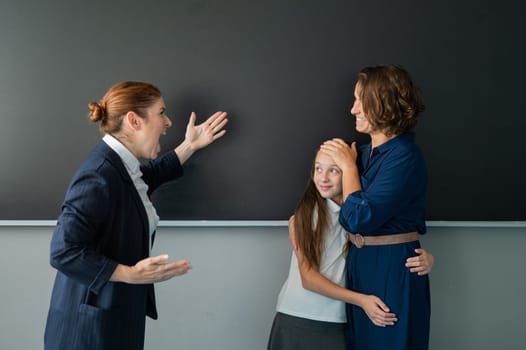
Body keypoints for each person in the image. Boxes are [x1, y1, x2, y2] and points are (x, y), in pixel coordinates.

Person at [44, 81, 228, 350]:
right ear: (134, 120)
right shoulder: (98, 175)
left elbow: (145, 179)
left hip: (111, 317)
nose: (168, 123)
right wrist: (129, 273)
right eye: (161, 113)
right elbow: (63, 250)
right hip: (88, 332)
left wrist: (190, 145)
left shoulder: (120, 165)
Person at [267, 148, 434, 350]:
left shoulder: (365, 217)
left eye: (334, 171)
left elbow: (392, 239)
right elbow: (308, 278)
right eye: (318, 169)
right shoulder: (305, 217)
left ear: (350, 173)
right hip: (301, 317)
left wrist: (427, 258)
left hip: (342, 320)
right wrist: (362, 301)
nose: (323, 178)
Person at [320, 64, 431, 349]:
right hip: (360, 262)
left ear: (386, 106)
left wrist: (347, 166)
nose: (353, 110)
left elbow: (358, 217)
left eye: (361, 101)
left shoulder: (404, 157)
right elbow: (332, 200)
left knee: (392, 341)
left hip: (393, 264)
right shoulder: (363, 154)